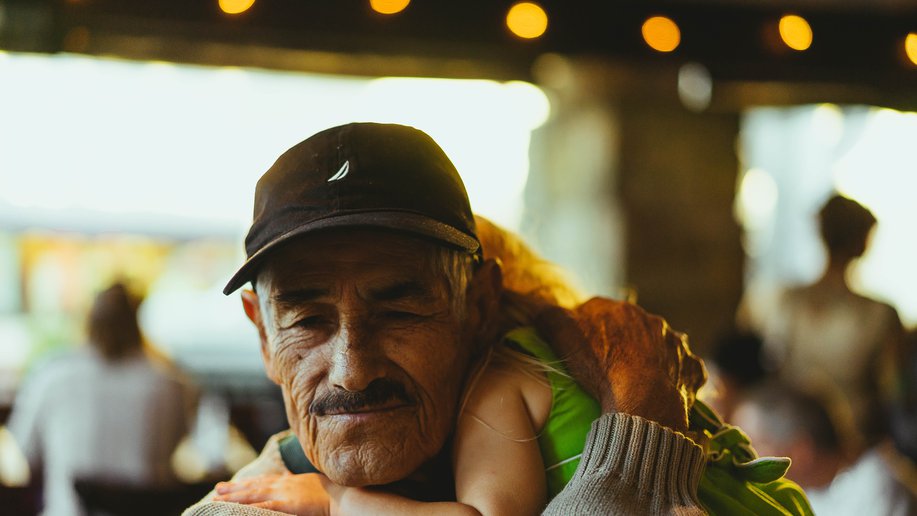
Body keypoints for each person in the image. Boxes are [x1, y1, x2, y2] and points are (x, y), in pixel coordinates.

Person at [185, 122, 711, 515]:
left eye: (398, 309)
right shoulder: (247, 507)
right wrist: (645, 422)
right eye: (307, 321)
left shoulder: (503, 402)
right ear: (262, 335)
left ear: (479, 307)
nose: (353, 370)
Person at [8, 283, 194, 516]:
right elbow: (178, 448)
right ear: (136, 324)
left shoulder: (51, 376)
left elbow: (27, 455)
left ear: (87, 322)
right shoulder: (170, 383)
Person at [757, 194, 906, 452]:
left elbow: (771, 370)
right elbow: (893, 394)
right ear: (863, 242)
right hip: (853, 446)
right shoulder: (880, 314)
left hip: (790, 443)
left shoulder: (788, 301)